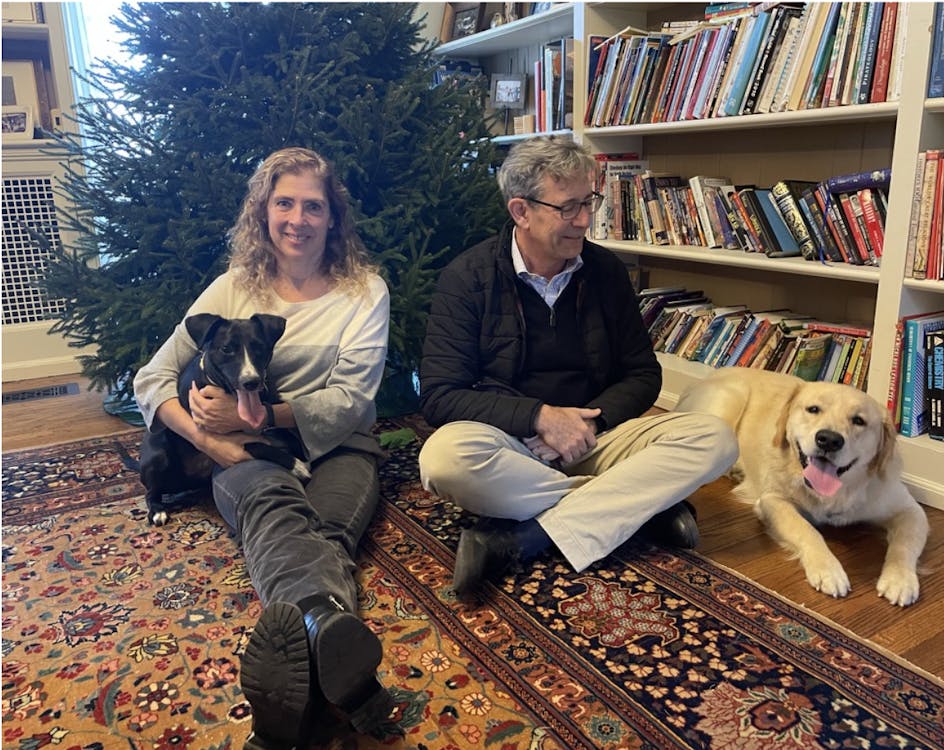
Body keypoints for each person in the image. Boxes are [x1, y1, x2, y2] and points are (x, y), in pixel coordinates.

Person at [133, 147, 393, 749]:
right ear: (263, 211)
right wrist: (206, 436)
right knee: (275, 508)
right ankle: (333, 647)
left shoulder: (364, 292)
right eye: (284, 203)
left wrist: (258, 414)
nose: (297, 218)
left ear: (333, 218)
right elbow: (149, 377)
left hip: (339, 445)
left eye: (313, 206)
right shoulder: (232, 288)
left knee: (326, 526)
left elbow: (352, 398)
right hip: (241, 452)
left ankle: (302, 678)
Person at [418, 136, 738, 598]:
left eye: (589, 202)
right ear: (520, 211)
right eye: (568, 208)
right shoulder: (467, 278)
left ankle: (532, 536)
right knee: (444, 460)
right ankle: (639, 507)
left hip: (597, 434)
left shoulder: (606, 272)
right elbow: (440, 394)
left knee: (715, 439)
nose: (585, 220)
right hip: (515, 442)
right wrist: (540, 418)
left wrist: (590, 422)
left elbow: (643, 374)